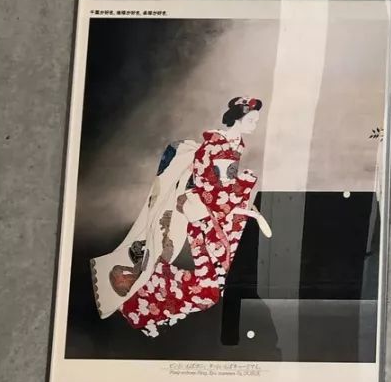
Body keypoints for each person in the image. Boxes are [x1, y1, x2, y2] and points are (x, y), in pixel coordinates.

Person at [91, 96, 271, 338]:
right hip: (206, 221)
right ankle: (139, 299)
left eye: (256, 121)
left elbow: (222, 191)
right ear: (237, 119)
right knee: (209, 292)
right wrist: (246, 188)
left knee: (211, 290)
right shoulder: (220, 148)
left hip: (216, 218)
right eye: (251, 120)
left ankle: (139, 299)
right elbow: (215, 194)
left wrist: (243, 197)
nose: (254, 125)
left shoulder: (232, 145)